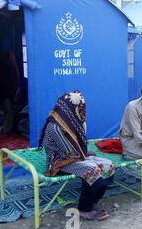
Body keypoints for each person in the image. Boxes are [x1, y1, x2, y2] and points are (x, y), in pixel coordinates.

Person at [39, 91, 115, 221]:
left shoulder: (72, 121)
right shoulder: (55, 127)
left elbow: (78, 148)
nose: (82, 111)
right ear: (69, 108)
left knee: (108, 165)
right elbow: (69, 152)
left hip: (76, 156)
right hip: (59, 161)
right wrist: (85, 155)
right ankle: (84, 209)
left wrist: (85, 154)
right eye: (80, 108)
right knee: (91, 169)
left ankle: (92, 201)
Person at [0, 50, 19, 136]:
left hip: (5, 92)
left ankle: (7, 130)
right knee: (9, 111)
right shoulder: (9, 65)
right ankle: (7, 130)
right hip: (6, 92)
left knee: (8, 111)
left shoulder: (6, 64)